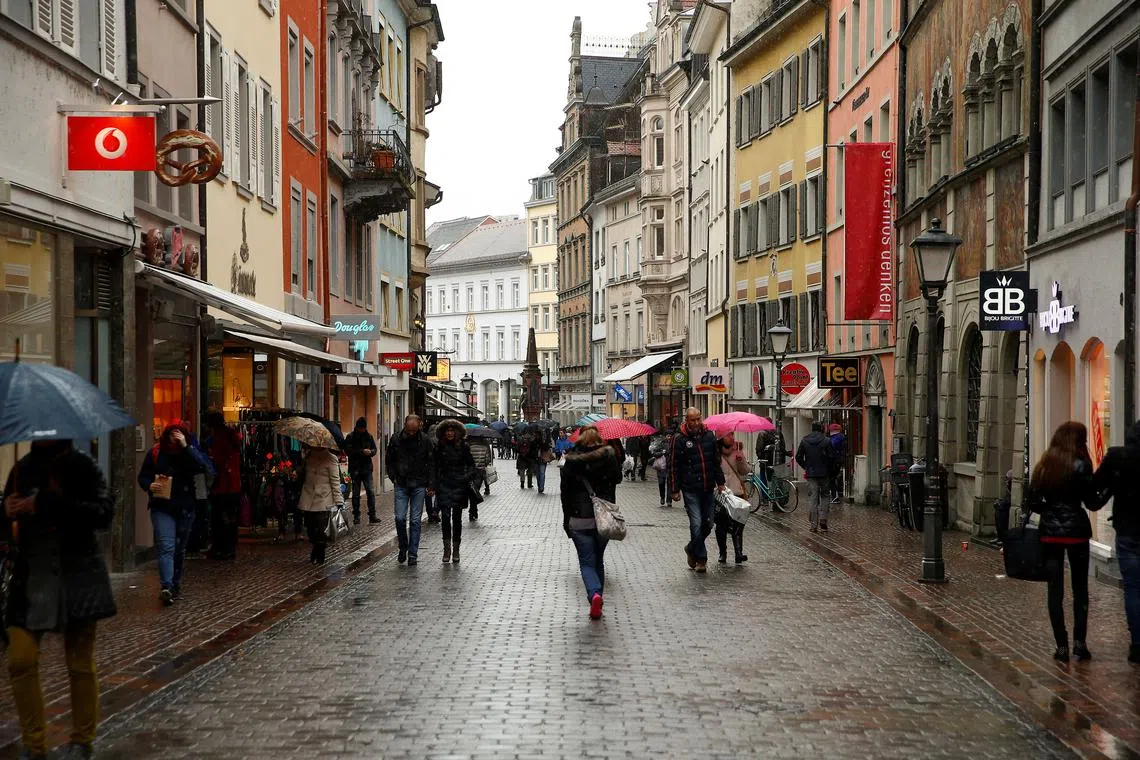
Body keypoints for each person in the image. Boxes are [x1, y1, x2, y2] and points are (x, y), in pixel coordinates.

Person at [3, 441, 116, 760]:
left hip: (77, 576)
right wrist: (6, 510)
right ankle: (34, 745)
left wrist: (49, 503)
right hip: (32, 578)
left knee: (79, 661)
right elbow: (7, 525)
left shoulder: (83, 466)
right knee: (20, 659)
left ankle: (82, 740)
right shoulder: (21, 469)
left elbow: (103, 512)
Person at [1026, 421, 1110, 662]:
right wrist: (1107, 491)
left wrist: (1050, 512)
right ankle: (1079, 642)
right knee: (1080, 588)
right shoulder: (1082, 464)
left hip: (1050, 534)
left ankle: (1061, 645)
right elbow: (1093, 503)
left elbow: (1033, 501)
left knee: (1055, 589)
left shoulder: (1045, 464)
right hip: (1076, 532)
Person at [138, 421, 215, 605]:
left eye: (179, 433)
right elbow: (143, 475)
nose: (175, 437)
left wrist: (186, 447)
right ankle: (166, 586)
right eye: (172, 433)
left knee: (179, 549)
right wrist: (149, 485)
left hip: (185, 507)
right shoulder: (156, 453)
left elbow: (204, 467)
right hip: (161, 507)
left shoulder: (188, 453)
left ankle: (175, 583)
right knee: (166, 546)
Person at [560, 426, 623, 620]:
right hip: (603, 518)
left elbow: (565, 493)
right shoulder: (608, 457)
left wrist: (566, 521)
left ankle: (594, 594)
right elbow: (618, 479)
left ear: (579, 439)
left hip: (579, 517)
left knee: (587, 563)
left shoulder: (570, 460)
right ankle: (598, 597)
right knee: (598, 560)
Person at [1094, 420, 1140, 664]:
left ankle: (1137, 643)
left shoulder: (1118, 458)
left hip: (1129, 530)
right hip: (1129, 529)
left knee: (1133, 587)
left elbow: (1096, 486)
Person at [669, 407, 725, 573]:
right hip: (690, 488)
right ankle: (701, 558)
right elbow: (674, 465)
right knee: (696, 523)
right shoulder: (679, 439)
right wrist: (674, 489)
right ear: (687, 420)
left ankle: (691, 548)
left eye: (698, 419)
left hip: (708, 487)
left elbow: (715, 461)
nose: (696, 423)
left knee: (708, 523)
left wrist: (720, 482)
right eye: (692, 420)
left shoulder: (709, 436)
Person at [385, 414, 434, 566]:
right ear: (405, 426)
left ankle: (413, 553)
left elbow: (431, 462)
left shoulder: (425, 441)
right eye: (409, 430)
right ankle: (403, 547)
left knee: (415, 520)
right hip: (402, 483)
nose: (412, 433)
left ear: (419, 426)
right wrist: (394, 476)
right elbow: (389, 460)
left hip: (419, 484)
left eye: (414, 430)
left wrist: (431, 483)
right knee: (399, 518)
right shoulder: (396, 439)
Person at [430, 419, 476, 563]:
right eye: (447, 431)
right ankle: (446, 549)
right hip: (444, 485)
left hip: (459, 485)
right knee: (445, 517)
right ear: (443, 433)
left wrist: (465, 477)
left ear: (457, 433)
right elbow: (434, 466)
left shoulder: (464, 447)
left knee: (456, 518)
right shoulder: (439, 447)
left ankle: (456, 549)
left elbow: (471, 465)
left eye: (452, 431)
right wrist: (434, 483)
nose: (450, 433)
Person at [203, 412, 242, 560]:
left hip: (223, 486)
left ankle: (222, 547)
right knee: (229, 519)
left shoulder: (219, 439)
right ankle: (228, 547)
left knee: (220, 518)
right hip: (232, 486)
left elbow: (218, 461)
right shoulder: (231, 437)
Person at [297, 445, 344, 565]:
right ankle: (315, 547)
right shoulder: (308, 456)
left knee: (322, 529)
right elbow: (302, 476)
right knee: (310, 528)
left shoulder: (331, 458)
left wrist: (338, 501)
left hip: (324, 499)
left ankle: (320, 553)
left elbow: (335, 480)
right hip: (308, 497)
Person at [716, 435, 751, 564]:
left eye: (732, 434)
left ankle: (738, 553)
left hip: (737, 494)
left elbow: (745, 471)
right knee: (721, 526)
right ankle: (723, 552)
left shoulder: (738, 451)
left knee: (738, 525)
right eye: (727, 435)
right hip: (722, 494)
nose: (731, 437)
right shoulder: (716, 453)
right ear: (721, 438)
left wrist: (741, 461)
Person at [796, 422, 837, 533]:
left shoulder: (805, 440)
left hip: (811, 474)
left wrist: (806, 466)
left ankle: (813, 525)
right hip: (824, 473)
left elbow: (798, 457)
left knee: (813, 498)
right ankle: (823, 519)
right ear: (821, 429)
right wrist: (829, 469)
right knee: (825, 495)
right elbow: (833, 457)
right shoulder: (826, 441)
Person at [345, 417, 379, 526]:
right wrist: (361, 452)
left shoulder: (369, 437)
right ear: (357, 427)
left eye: (364, 428)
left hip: (367, 468)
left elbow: (374, 449)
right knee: (355, 494)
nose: (362, 430)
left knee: (370, 492)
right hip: (355, 468)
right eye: (361, 428)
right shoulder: (350, 437)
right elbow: (348, 451)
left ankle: (372, 515)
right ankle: (356, 516)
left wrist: (371, 452)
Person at [829, 424, 847, 504]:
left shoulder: (834, 439)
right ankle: (836, 494)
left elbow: (831, 448)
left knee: (831, 479)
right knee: (833, 478)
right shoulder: (842, 437)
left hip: (834, 461)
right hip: (839, 461)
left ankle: (835, 496)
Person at [534, 427, 554, 494]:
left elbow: (547, 448)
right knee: (538, 474)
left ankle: (541, 487)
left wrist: (543, 443)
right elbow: (531, 450)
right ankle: (539, 486)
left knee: (542, 474)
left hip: (543, 459)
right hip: (536, 459)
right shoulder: (534, 441)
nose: (536, 436)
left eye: (537, 435)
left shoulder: (544, 441)